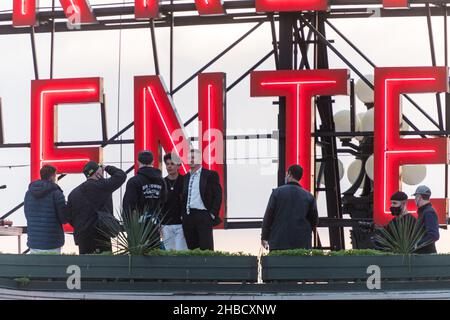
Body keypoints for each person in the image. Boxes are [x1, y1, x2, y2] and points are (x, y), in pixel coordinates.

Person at [68, 162, 126, 254]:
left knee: (85, 266)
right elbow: (121, 175)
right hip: (101, 234)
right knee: (102, 266)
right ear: (98, 174)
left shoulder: (73, 193)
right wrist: (106, 167)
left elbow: (70, 217)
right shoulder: (103, 186)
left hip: (83, 237)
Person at [261, 165, 319, 251]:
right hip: (301, 244)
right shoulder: (309, 196)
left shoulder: (277, 193)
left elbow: (268, 216)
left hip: (279, 242)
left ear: (289, 174)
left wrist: (264, 237)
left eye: (286, 174)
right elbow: (314, 221)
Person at [182, 149, 222, 251]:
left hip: (204, 215)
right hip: (188, 216)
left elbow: (218, 195)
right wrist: (183, 215)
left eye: (193, 157)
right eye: (189, 158)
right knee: (191, 248)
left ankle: (207, 267)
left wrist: (212, 214)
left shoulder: (210, 175)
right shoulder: (185, 177)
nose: (190, 160)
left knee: (206, 248)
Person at [24, 165, 68, 254]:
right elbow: (64, 218)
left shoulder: (29, 193)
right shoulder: (57, 193)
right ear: (52, 176)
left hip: (34, 241)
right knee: (52, 267)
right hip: (52, 242)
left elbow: (27, 214)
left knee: (35, 267)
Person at [122, 150, 167, 219]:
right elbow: (164, 201)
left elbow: (128, 205)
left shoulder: (134, 181)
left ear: (138, 162)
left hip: (138, 225)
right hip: (157, 222)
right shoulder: (161, 181)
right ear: (153, 162)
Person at [161, 152, 187, 251]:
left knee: (182, 252)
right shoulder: (162, 182)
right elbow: (159, 204)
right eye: (167, 164)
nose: (169, 166)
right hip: (166, 225)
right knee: (168, 254)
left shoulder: (185, 181)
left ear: (179, 165)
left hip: (181, 224)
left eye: (172, 164)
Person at [413, 185, 440, 254]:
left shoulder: (429, 212)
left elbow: (434, 235)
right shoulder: (424, 212)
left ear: (419, 197)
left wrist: (417, 244)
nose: (415, 199)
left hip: (426, 257)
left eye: (415, 196)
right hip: (424, 256)